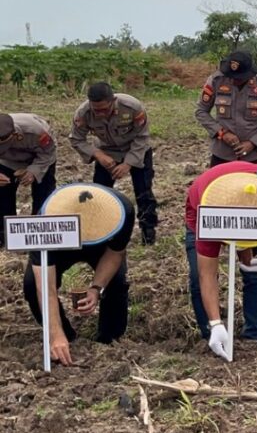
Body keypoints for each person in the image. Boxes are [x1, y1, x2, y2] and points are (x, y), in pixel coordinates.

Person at [184, 161, 257, 360]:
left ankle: (255, 335)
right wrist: (216, 323)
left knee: (254, 270)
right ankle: (212, 335)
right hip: (206, 208)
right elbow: (207, 274)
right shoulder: (208, 212)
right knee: (197, 278)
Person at [23, 183, 133, 366]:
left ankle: (109, 338)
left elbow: (115, 253)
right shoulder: (45, 219)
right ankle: (64, 336)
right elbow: (45, 286)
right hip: (59, 242)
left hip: (102, 244)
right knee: (30, 285)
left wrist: (96, 288)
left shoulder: (123, 209)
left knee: (117, 281)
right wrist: (56, 334)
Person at [70, 82, 159, 244]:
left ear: (113, 101)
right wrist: (98, 155)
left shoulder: (132, 107)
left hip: (136, 149)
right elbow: (76, 139)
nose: (101, 114)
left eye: (104, 109)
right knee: (100, 193)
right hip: (106, 151)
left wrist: (128, 163)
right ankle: (101, 230)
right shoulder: (83, 113)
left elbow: (142, 137)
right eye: (96, 110)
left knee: (143, 191)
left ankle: (148, 231)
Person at [195, 50, 257, 168]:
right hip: (222, 154)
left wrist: (253, 143)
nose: (234, 80)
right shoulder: (216, 81)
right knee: (217, 186)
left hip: (254, 156)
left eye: (239, 78)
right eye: (231, 76)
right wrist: (221, 133)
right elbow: (201, 111)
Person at [0, 112, 57, 245]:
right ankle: (5, 233)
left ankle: (41, 230)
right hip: (5, 161)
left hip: (39, 158)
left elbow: (48, 153)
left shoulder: (35, 131)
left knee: (43, 191)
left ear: (15, 135)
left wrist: (32, 172)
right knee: (2, 193)